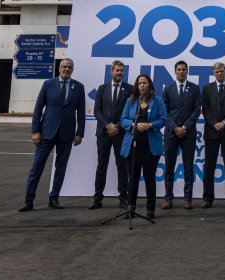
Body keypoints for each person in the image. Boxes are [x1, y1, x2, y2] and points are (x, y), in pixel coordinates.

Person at [20, 58, 85, 211]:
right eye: (64, 67)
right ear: (59, 68)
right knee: (37, 167)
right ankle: (29, 200)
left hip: (67, 134)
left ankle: (54, 198)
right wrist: (35, 131)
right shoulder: (48, 84)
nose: (66, 69)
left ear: (73, 69)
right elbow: (38, 109)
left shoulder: (79, 87)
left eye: (69, 67)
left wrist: (79, 133)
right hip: (46, 133)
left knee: (60, 168)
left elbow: (81, 113)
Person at [121, 74, 166, 221]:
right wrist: (133, 124)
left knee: (149, 177)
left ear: (150, 85)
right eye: (139, 83)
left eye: (144, 83)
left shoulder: (157, 101)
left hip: (150, 145)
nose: (141, 85)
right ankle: (130, 208)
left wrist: (150, 125)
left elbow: (163, 119)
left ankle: (150, 209)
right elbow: (123, 120)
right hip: (132, 146)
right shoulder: (131, 101)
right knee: (132, 178)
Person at [90, 60, 132, 210]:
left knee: (122, 166)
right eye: (117, 70)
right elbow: (97, 111)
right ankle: (97, 198)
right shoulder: (102, 89)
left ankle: (123, 198)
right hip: (103, 133)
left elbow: (130, 113)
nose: (119, 73)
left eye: (122, 70)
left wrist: (117, 126)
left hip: (121, 134)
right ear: (111, 71)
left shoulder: (130, 89)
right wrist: (107, 125)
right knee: (102, 165)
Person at [161, 59, 201, 210]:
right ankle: (168, 198)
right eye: (179, 69)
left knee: (188, 166)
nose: (181, 72)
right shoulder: (168, 89)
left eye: (184, 69)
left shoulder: (195, 89)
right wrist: (174, 127)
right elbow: (164, 112)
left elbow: (197, 110)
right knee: (169, 166)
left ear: (187, 71)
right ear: (175, 71)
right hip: (171, 133)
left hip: (188, 133)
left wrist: (184, 127)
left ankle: (188, 198)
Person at [200, 61, 225, 208]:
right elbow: (205, 109)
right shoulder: (207, 88)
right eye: (217, 72)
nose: (219, 74)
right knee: (209, 166)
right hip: (211, 132)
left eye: (221, 71)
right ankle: (207, 198)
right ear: (213, 73)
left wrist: (224, 123)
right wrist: (214, 123)